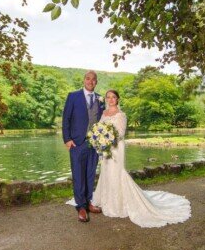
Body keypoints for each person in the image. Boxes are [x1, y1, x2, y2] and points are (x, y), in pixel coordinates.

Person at [67, 89, 192, 228]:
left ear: (118, 99)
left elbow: (120, 133)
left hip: (116, 148)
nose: (110, 99)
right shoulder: (103, 113)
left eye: (113, 97)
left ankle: (119, 203)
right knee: (106, 173)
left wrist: (107, 139)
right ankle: (105, 200)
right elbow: (99, 128)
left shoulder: (121, 115)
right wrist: (100, 140)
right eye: (108, 97)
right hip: (105, 148)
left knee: (117, 172)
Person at [62, 71, 105, 222]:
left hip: (94, 144)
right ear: (84, 80)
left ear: (96, 82)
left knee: (90, 174)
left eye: (93, 79)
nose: (90, 81)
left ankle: (88, 202)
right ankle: (80, 206)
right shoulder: (73, 96)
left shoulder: (100, 99)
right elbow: (66, 119)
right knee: (78, 175)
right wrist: (67, 139)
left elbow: (103, 122)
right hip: (77, 143)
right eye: (88, 78)